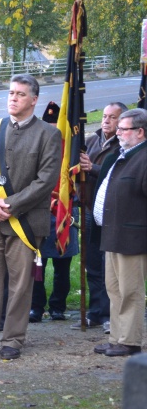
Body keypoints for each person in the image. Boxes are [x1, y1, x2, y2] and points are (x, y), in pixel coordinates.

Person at [0, 74, 61, 361]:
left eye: (20, 94)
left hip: (26, 222)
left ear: (34, 99)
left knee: (20, 285)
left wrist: (9, 204)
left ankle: (13, 341)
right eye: (11, 93)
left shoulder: (48, 134)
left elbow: (46, 180)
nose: (13, 98)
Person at [92, 108, 147, 357]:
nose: (118, 133)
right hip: (112, 235)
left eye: (124, 129)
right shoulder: (121, 155)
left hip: (132, 238)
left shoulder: (143, 158)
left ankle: (130, 340)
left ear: (140, 132)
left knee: (130, 291)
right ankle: (116, 338)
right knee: (114, 290)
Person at [75, 102, 127, 331]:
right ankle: (95, 312)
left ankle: (109, 315)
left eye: (112, 117)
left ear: (122, 121)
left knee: (110, 265)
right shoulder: (92, 140)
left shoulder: (123, 144)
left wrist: (92, 169)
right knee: (93, 263)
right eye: (104, 116)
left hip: (111, 212)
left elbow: (119, 172)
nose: (106, 120)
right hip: (88, 208)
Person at [29, 102, 79, 323]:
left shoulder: (72, 152)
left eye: (55, 125)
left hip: (64, 216)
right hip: (39, 214)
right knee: (37, 268)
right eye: (48, 125)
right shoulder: (34, 150)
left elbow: (78, 183)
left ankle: (58, 306)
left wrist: (69, 202)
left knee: (62, 267)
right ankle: (36, 308)